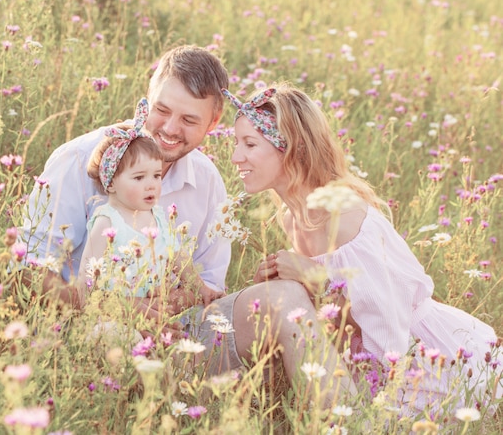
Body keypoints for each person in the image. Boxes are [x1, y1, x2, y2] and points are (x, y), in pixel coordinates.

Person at [196, 83, 502, 413]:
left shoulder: (345, 219)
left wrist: (316, 279)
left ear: (292, 148)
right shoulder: (291, 217)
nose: (235, 156)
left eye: (250, 144)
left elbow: (389, 333)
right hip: (366, 359)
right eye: (236, 142)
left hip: (432, 359)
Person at [21, 45, 231, 321]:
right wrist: (119, 309)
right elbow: (28, 271)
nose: (169, 129)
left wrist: (164, 307)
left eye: (189, 120)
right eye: (162, 110)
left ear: (213, 122)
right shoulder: (79, 159)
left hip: (172, 334)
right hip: (75, 329)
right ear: (147, 99)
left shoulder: (207, 181)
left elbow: (211, 282)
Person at [75, 97, 219, 308]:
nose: (151, 185)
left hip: (153, 315)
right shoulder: (107, 223)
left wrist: (200, 288)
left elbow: (177, 257)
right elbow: (85, 284)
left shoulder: (158, 217)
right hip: (114, 313)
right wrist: (120, 307)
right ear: (111, 182)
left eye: (156, 175)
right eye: (139, 177)